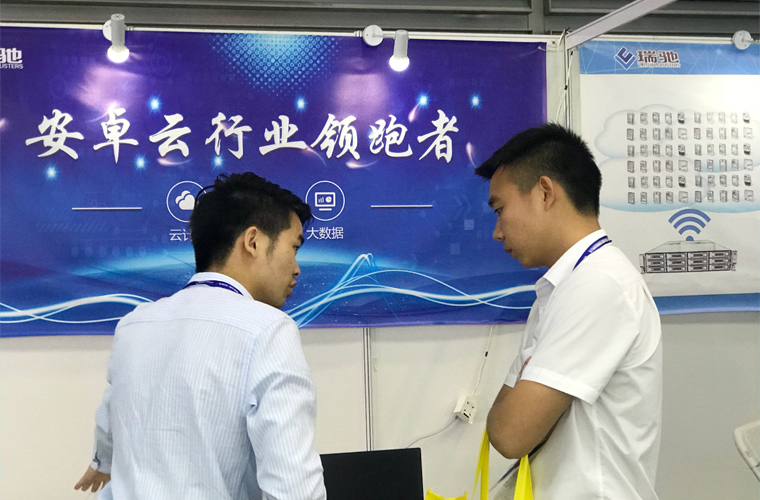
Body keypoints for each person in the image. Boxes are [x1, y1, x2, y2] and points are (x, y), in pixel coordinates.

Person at [74, 172, 326, 500]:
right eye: (294, 247)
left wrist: (101, 461)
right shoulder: (267, 329)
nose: (296, 268)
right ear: (253, 241)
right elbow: (293, 487)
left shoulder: (135, 324)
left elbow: (110, 413)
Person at [477, 124, 662, 500]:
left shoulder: (598, 284)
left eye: (500, 210)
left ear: (545, 193)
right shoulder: (564, 286)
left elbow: (510, 434)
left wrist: (519, 399)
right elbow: (506, 424)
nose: (497, 232)